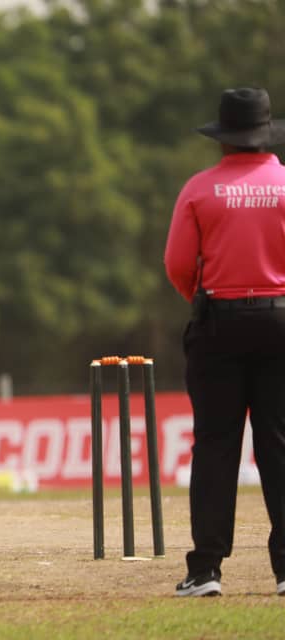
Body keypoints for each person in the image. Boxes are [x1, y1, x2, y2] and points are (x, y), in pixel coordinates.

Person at [164, 87, 285, 597]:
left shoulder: (199, 189)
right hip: (281, 320)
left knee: (216, 444)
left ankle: (206, 570)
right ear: (265, 134)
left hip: (219, 323)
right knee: (279, 444)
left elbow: (177, 263)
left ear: (223, 139)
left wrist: (206, 301)